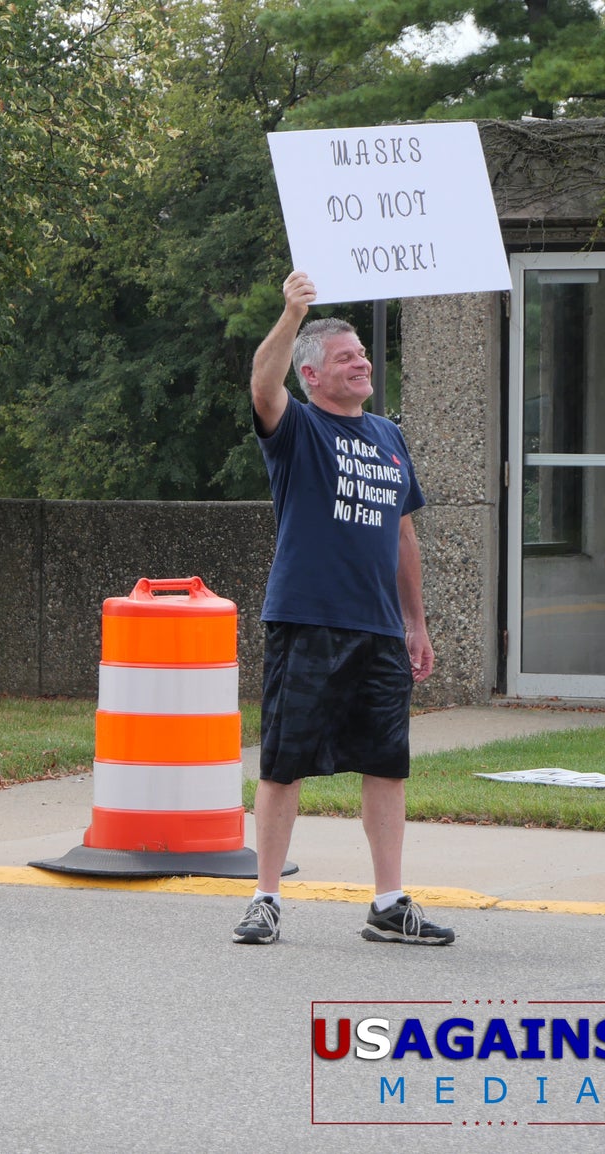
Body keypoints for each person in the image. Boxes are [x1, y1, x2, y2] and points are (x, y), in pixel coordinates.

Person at [232, 270, 453, 946]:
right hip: (307, 619)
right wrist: (292, 313)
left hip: (379, 629)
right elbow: (261, 386)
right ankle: (266, 899)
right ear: (312, 375)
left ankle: (388, 903)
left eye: (362, 354)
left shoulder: (389, 436)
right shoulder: (297, 428)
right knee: (284, 762)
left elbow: (404, 535)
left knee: (387, 765)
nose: (362, 364)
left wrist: (415, 621)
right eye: (345, 357)